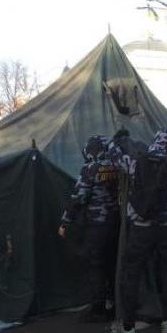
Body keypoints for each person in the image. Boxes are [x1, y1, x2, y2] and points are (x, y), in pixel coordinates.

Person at [109, 129, 167, 333]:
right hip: (166, 228)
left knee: (131, 273)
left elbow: (113, 157)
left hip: (140, 228)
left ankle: (128, 327)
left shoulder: (135, 162)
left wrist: (116, 141)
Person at [58, 135, 119, 322]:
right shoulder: (116, 166)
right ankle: (113, 304)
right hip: (115, 224)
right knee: (111, 265)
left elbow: (79, 197)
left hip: (97, 226)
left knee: (95, 266)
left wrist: (65, 221)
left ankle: (98, 308)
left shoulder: (90, 169)